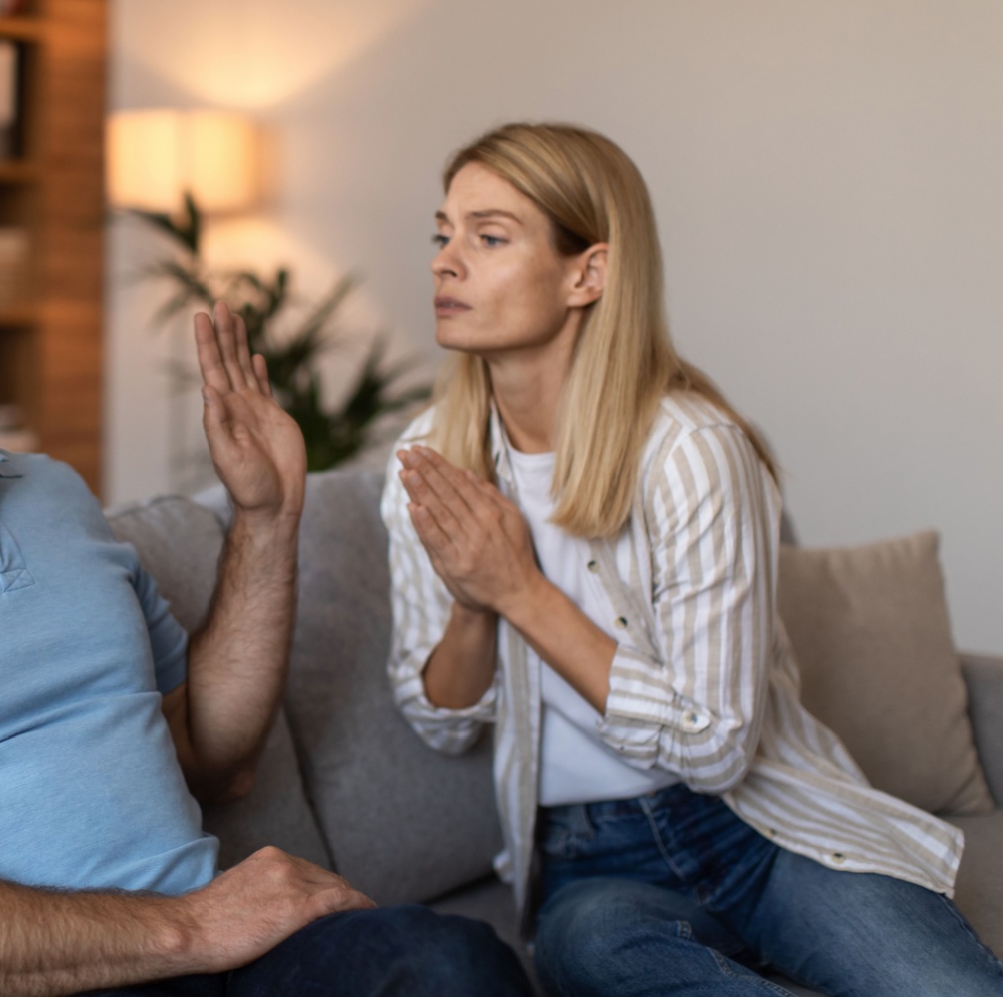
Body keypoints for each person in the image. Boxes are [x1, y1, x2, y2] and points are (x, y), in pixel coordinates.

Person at [0, 113, 532, 997]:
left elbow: (215, 760)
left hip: (219, 958)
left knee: (453, 965)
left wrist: (265, 519)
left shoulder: (54, 496)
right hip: (42, 978)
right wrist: (190, 926)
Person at [383, 121, 1003, 996]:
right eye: (442, 233)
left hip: (763, 827)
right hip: (592, 865)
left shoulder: (692, 451)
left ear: (587, 274)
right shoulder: (428, 457)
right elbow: (440, 720)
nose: (446, 261)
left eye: (488, 237)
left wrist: (521, 591)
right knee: (592, 954)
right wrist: (473, 601)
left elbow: (715, 750)